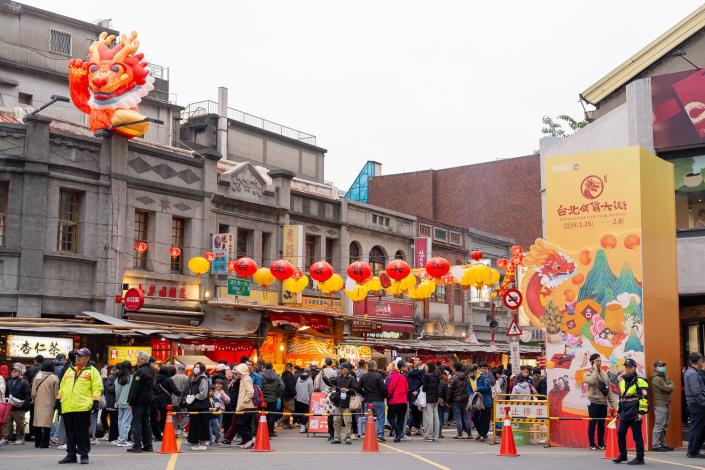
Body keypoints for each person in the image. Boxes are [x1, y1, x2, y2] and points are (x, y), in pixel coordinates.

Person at [57, 348, 103, 465]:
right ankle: (71, 454)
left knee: (82, 433)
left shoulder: (92, 371)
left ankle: (84, 454)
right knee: (70, 433)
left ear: (87, 358)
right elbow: (62, 386)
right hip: (67, 406)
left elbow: (97, 387)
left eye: (80, 356)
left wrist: (95, 401)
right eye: (77, 356)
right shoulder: (69, 370)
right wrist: (58, 401)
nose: (77, 358)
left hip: (82, 407)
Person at [613, 358, 648, 465]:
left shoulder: (640, 381)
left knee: (637, 436)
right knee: (620, 433)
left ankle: (640, 458)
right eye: (626, 367)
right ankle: (623, 455)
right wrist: (618, 411)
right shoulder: (622, 382)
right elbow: (621, 398)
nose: (627, 369)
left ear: (634, 368)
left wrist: (641, 413)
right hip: (625, 413)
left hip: (635, 413)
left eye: (630, 367)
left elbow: (644, 398)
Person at [585, 353, 617, 450]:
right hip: (593, 402)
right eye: (597, 361)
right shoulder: (588, 372)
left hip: (603, 403)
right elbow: (591, 381)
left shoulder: (604, 373)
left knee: (602, 425)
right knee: (592, 424)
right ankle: (591, 443)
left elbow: (609, 390)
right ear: (592, 362)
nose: (599, 362)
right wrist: (595, 370)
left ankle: (601, 443)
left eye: (600, 360)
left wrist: (613, 404)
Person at [127, 351, 155, 453]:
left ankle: (137, 445)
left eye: (138, 359)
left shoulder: (140, 372)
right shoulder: (151, 371)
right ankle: (148, 445)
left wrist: (130, 402)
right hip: (148, 400)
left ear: (142, 360)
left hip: (139, 401)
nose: (137, 361)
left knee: (137, 423)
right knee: (146, 423)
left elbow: (135, 388)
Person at [31, 359, 59, 448]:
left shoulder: (37, 376)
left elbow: (33, 393)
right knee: (47, 424)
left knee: (38, 423)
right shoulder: (54, 378)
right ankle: (44, 443)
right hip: (50, 403)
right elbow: (56, 393)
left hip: (38, 403)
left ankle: (37, 442)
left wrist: (34, 399)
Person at [0, 363, 30, 445]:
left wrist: (25, 407)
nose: (13, 372)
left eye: (15, 371)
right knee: (6, 423)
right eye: (12, 371)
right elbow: (6, 393)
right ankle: (4, 438)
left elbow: (27, 395)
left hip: (20, 408)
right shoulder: (9, 381)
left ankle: (20, 438)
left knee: (20, 423)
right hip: (9, 407)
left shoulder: (24, 382)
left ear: (20, 372)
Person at [358, 359, 387, 441]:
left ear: (368, 366)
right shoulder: (378, 376)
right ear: (375, 366)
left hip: (367, 400)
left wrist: (364, 394)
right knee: (380, 417)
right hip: (378, 400)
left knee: (368, 418)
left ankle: (369, 434)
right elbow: (382, 388)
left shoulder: (363, 376)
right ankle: (379, 434)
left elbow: (358, 388)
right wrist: (384, 396)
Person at [684, 352, 705, 458]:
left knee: (698, 427)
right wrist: (703, 403)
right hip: (697, 404)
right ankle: (692, 451)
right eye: (701, 360)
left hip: (695, 403)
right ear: (698, 361)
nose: (702, 362)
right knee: (697, 427)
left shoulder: (692, 372)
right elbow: (696, 391)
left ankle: (694, 450)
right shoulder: (692, 373)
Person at [331, 362, 358, 445]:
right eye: (340, 368)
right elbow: (329, 382)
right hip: (338, 402)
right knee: (336, 421)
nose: (340, 370)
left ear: (346, 369)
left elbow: (355, 390)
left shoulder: (352, 378)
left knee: (347, 421)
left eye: (341, 369)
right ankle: (337, 438)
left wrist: (347, 390)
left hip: (347, 403)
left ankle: (347, 438)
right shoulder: (338, 378)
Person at [185, 362, 210, 451]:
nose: (196, 368)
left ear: (202, 369)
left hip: (201, 406)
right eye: (195, 367)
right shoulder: (195, 378)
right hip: (196, 406)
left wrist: (194, 397)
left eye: (198, 367)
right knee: (197, 425)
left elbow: (203, 394)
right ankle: (198, 442)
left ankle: (202, 444)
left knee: (201, 425)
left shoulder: (203, 379)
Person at [650, 360, 674, 452]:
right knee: (659, 425)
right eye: (660, 366)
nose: (663, 367)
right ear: (655, 367)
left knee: (664, 425)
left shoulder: (663, 376)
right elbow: (667, 387)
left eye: (663, 365)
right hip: (660, 404)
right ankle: (655, 445)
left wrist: (670, 384)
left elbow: (671, 384)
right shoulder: (656, 378)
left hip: (665, 403)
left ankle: (662, 443)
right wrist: (670, 385)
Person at [385, 362, 409, 442]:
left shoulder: (390, 377)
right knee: (401, 419)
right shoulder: (403, 377)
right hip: (403, 401)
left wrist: (387, 398)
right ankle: (398, 435)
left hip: (394, 401)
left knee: (390, 418)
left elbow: (388, 390)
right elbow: (407, 389)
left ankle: (398, 433)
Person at [234, 363, 256, 449]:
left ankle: (250, 439)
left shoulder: (246, 378)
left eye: (238, 372)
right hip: (246, 405)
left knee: (240, 423)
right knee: (245, 424)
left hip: (246, 405)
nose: (237, 374)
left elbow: (250, 392)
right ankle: (248, 440)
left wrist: (245, 400)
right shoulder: (244, 378)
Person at [447, 361, 471, 439]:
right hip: (465, 399)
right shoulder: (466, 377)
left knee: (458, 417)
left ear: (454, 368)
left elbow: (450, 390)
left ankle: (460, 434)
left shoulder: (453, 377)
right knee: (466, 416)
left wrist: (448, 401)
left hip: (456, 399)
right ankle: (469, 434)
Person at [154, 365, 179, 440]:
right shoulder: (169, 380)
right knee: (165, 417)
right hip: (166, 401)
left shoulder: (156, 379)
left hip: (155, 401)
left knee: (156, 417)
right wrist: (182, 394)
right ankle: (164, 432)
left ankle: (157, 433)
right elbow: (175, 390)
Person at [261, 362, 284, 437]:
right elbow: (282, 386)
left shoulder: (262, 376)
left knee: (263, 415)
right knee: (272, 416)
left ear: (264, 368)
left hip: (264, 399)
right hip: (273, 399)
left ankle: (264, 431)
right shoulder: (277, 376)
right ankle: (270, 431)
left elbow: (259, 386)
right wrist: (278, 395)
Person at [113, 361, 132, 448]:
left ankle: (121, 438)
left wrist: (117, 402)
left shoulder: (117, 379)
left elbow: (116, 392)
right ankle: (122, 440)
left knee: (120, 421)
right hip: (128, 403)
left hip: (119, 402)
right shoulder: (131, 378)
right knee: (126, 422)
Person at [473, 362, 493, 442]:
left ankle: (483, 434)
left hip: (486, 401)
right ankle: (480, 432)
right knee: (475, 417)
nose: (485, 370)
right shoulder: (474, 377)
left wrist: (478, 388)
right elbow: (470, 387)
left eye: (486, 368)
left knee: (485, 418)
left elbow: (488, 388)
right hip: (476, 401)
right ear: (479, 369)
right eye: (483, 368)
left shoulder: (487, 377)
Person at [421, 362, 440, 442]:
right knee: (436, 417)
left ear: (428, 367)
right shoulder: (437, 375)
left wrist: (422, 388)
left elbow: (424, 388)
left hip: (428, 398)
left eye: (425, 366)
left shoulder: (426, 376)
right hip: (435, 398)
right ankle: (435, 435)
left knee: (428, 417)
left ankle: (429, 435)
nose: (425, 367)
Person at [171, 364, 190, 437]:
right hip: (183, 400)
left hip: (173, 399)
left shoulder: (172, 378)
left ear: (177, 369)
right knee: (186, 415)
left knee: (174, 415)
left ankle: (175, 430)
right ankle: (181, 429)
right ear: (184, 370)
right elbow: (189, 389)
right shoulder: (187, 378)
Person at [406, 362, 425, 436]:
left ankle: (412, 427)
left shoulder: (409, 375)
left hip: (410, 394)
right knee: (419, 412)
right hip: (418, 395)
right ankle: (415, 427)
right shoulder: (421, 375)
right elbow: (423, 384)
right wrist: (417, 391)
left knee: (413, 411)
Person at [209, 380, 230, 445]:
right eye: (217, 384)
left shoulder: (222, 392)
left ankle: (217, 439)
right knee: (211, 426)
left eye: (220, 384)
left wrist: (223, 398)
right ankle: (211, 438)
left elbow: (228, 401)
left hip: (220, 411)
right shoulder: (211, 391)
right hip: (211, 411)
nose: (218, 385)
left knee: (218, 426)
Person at [295, 368, 313, 433]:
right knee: (305, 413)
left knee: (301, 413)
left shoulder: (299, 379)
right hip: (306, 399)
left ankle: (302, 426)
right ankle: (303, 427)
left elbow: (296, 388)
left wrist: (297, 396)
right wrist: (311, 399)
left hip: (299, 398)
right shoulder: (310, 380)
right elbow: (311, 391)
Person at [279, 363, 297, 429]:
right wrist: (294, 394)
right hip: (289, 395)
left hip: (284, 395)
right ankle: (282, 421)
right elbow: (291, 385)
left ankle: (288, 424)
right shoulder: (289, 375)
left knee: (287, 409)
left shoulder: (283, 375)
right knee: (291, 409)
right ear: (291, 367)